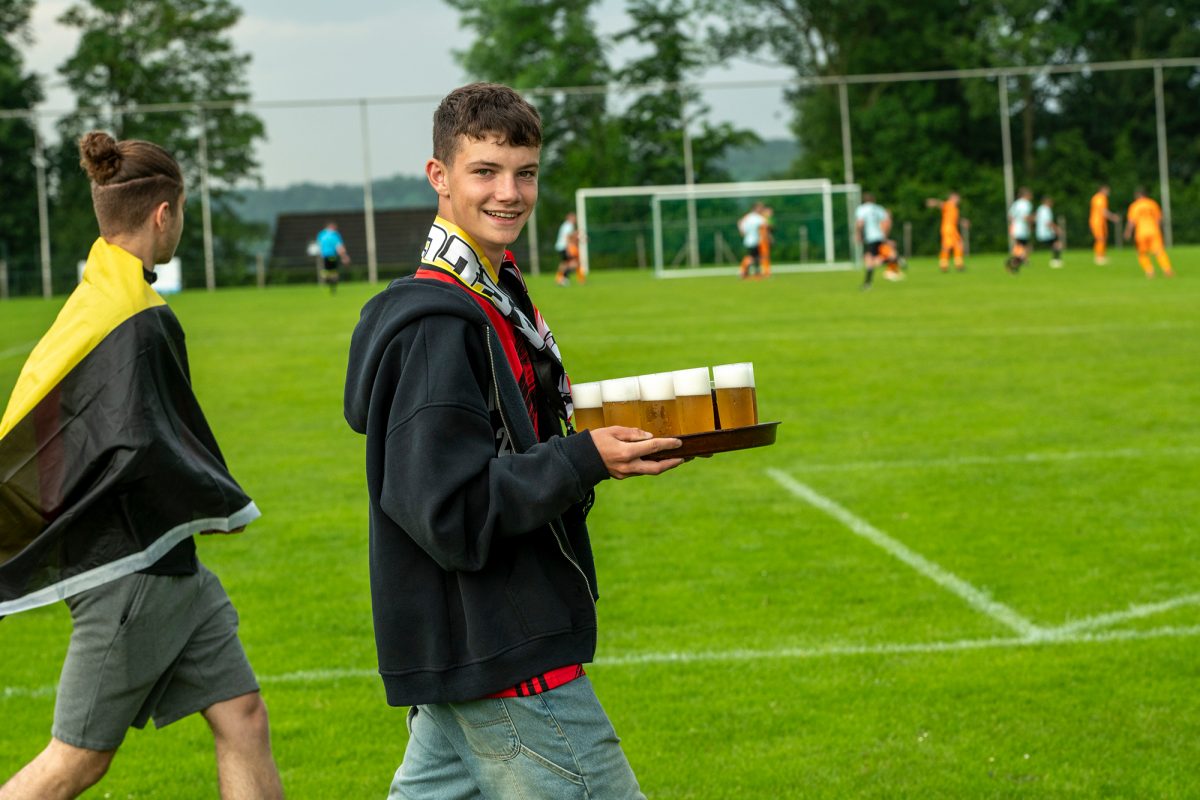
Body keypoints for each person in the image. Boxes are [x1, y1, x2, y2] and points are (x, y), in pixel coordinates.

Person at [343, 82, 685, 799]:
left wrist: (596, 444)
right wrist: (583, 458)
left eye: (525, 172)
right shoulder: (441, 324)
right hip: (504, 648)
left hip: (472, 643)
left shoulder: (495, 294)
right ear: (439, 177)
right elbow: (448, 510)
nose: (510, 192)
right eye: (486, 171)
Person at [0, 133, 283, 799]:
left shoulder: (94, 299)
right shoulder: (138, 318)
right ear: (165, 213)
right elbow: (148, 447)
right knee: (76, 760)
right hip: (128, 573)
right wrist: (221, 506)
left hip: (168, 567)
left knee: (243, 717)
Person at [1124, 187, 1174, 278]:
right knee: (1159, 251)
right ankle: (1167, 270)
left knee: (1142, 253)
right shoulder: (1152, 204)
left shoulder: (1134, 206)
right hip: (1154, 231)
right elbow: (1159, 219)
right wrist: (1159, 229)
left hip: (1141, 232)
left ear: (1137, 196)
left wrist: (1128, 232)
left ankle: (1149, 271)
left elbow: (1131, 221)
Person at [855, 192, 899, 289]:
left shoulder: (862, 209)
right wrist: (885, 237)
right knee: (870, 258)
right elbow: (887, 222)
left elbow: (860, 223)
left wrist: (858, 235)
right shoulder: (879, 208)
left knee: (870, 260)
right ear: (873, 200)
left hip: (871, 238)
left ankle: (868, 283)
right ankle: (868, 283)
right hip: (879, 236)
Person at [925, 191, 968, 272]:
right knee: (947, 246)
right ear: (953, 198)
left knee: (958, 245)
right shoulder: (949, 204)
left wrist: (963, 222)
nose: (958, 200)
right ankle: (944, 265)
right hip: (948, 229)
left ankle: (958, 264)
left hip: (953, 229)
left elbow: (955, 219)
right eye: (957, 198)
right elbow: (941, 204)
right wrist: (933, 202)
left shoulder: (954, 208)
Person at [1005, 187, 1034, 274]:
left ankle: (1017, 262)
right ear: (1026, 195)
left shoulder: (1016, 203)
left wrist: (1014, 223)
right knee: (1027, 248)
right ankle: (1013, 263)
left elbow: (1010, 216)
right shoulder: (1026, 204)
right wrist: (1032, 220)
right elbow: (1026, 217)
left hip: (1015, 228)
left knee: (1020, 247)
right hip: (1022, 229)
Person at [1089, 185, 1120, 264]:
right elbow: (1103, 211)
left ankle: (1102, 255)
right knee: (1100, 238)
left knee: (1103, 238)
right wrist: (1113, 217)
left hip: (1101, 221)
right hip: (1097, 221)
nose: (1108, 192)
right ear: (1102, 190)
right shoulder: (1100, 198)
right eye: (1107, 190)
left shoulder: (1100, 198)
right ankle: (1098, 257)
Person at [316, 220, 350, 294]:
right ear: (332, 227)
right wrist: (344, 256)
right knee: (334, 272)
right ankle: (332, 284)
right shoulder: (334, 235)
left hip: (324, 255)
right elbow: (339, 246)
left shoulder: (321, 234)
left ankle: (326, 277)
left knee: (328, 270)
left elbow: (319, 244)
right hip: (332, 255)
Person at [738, 201, 768, 278]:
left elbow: (740, 224)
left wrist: (743, 232)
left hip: (748, 240)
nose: (762, 209)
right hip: (755, 241)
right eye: (761, 208)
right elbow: (765, 227)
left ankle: (752, 272)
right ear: (756, 208)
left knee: (754, 257)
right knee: (753, 257)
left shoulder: (747, 217)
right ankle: (744, 272)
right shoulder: (759, 218)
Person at [1035, 195, 1063, 268]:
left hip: (1040, 231)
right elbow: (1048, 222)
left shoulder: (1040, 209)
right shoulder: (1046, 210)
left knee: (1055, 244)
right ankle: (1056, 260)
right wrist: (1056, 228)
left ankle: (1055, 260)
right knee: (1057, 244)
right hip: (1047, 232)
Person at [554, 211, 580, 286]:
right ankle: (564, 278)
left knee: (564, 263)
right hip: (564, 246)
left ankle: (559, 278)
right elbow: (567, 237)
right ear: (570, 218)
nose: (575, 219)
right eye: (574, 217)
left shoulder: (565, 225)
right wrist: (569, 248)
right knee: (574, 263)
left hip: (560, 246)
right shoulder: (569, 225)